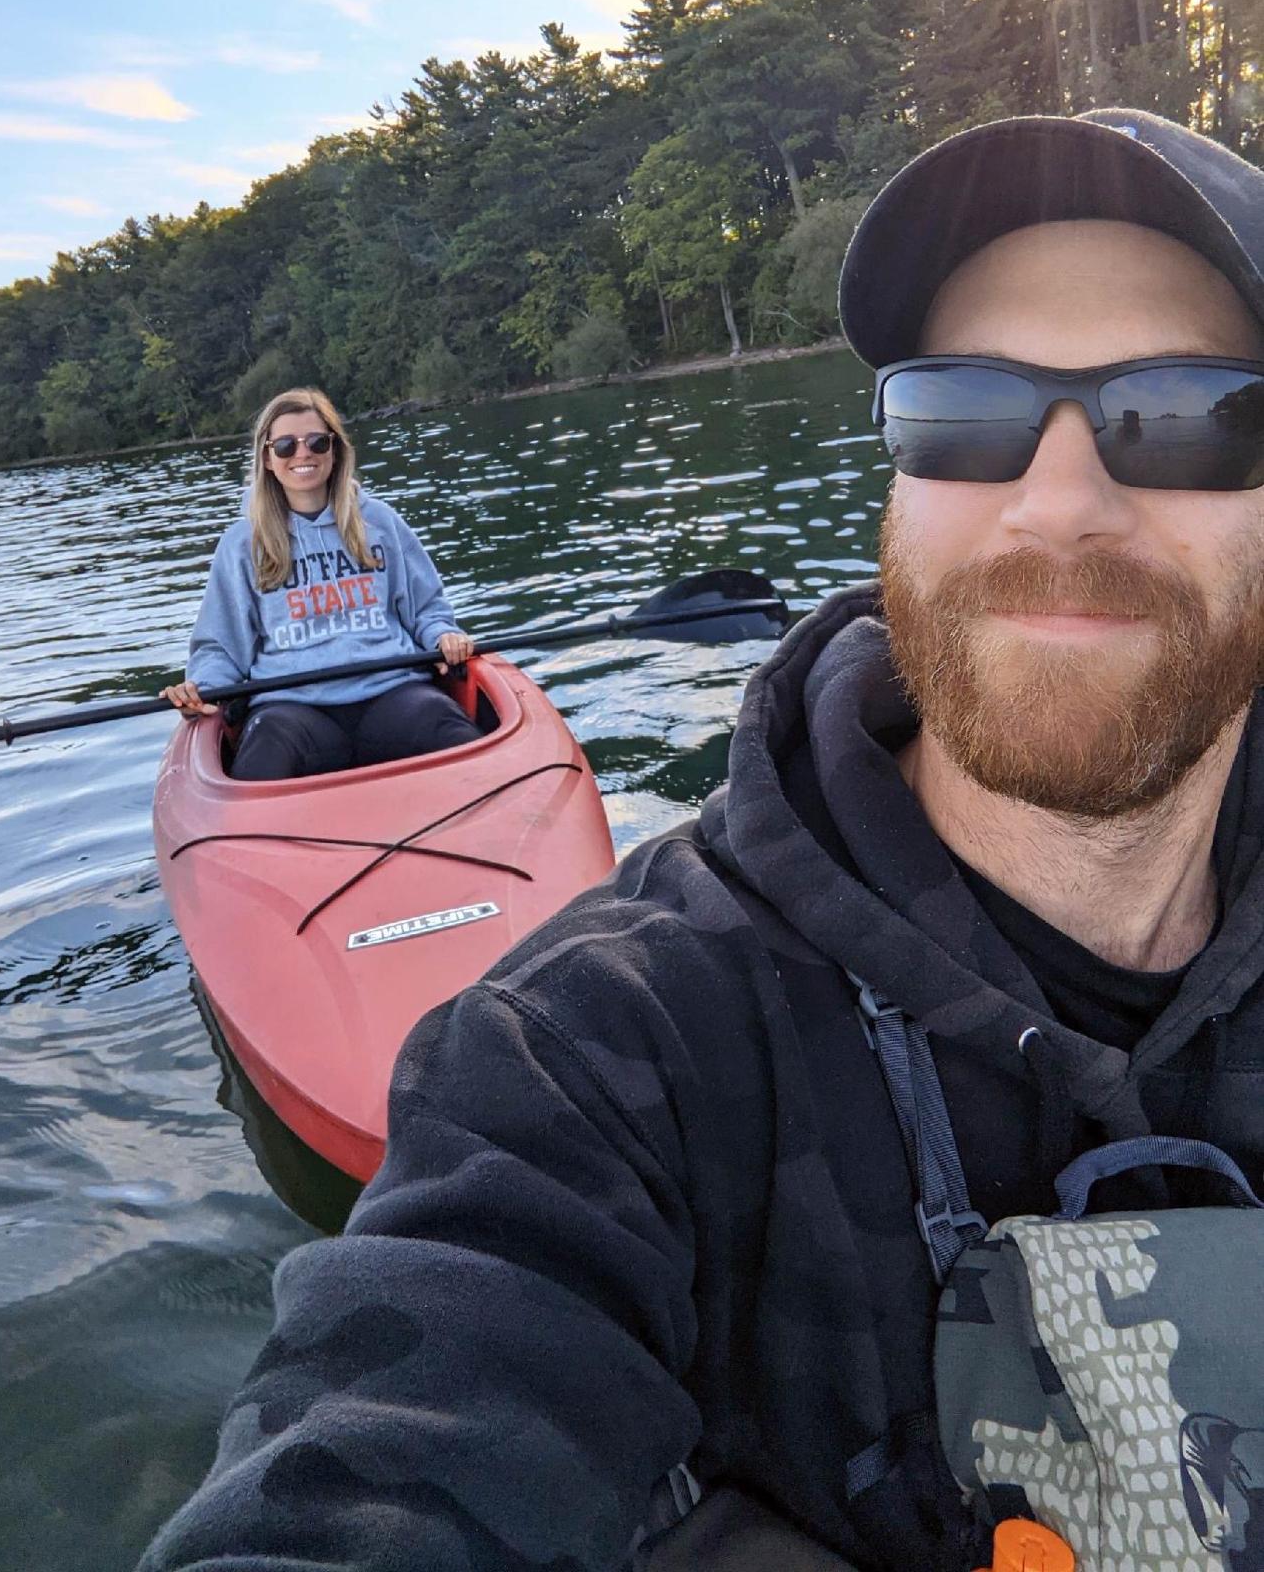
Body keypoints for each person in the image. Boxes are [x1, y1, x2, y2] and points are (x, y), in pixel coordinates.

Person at [140, 110, 1264, 1572]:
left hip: (402, 703)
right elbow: (376, 1461)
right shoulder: (587, 1061)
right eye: (961, 414)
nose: (1056, 503)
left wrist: (443, 649)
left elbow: (427, 624)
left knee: (405, 721)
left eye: (1185, 414)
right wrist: (217, 698)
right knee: (288, 738)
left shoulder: (380, 530)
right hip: (286, 726)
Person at [159, 386, 480, 780]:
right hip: (292, 709)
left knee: (444, 726)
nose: (303, 453)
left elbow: (427, 610)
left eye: (315, 441)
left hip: (393, 693)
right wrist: (202, 689)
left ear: (335, 449)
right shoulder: (242, 544)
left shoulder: (380, 522)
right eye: (285, 446)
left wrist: (444, 635)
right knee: (263, 755)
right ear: (267, 458)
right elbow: (221, 647)